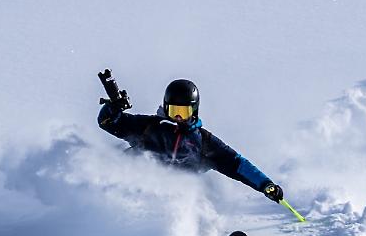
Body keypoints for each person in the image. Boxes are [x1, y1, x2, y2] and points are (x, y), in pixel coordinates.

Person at [98, 78, 284, 202]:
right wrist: (113, 108)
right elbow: (108, 122)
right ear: (165, 107)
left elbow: (237, 164)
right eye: (173, 111)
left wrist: (265, 184)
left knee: (201, 196)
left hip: (172, 197)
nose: (178, 117)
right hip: (132, 188)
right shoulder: (148, 126)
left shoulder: (204, 142)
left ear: (194, 111)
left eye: (184, 112)